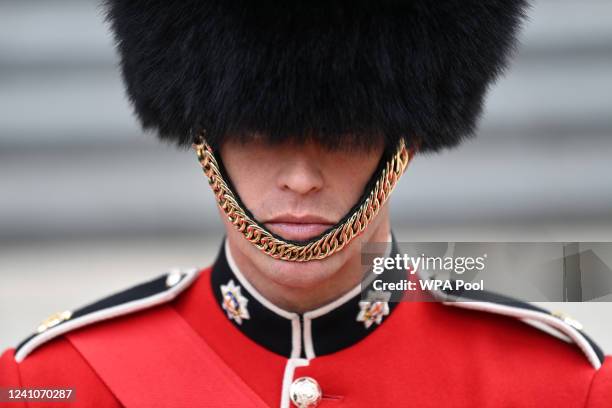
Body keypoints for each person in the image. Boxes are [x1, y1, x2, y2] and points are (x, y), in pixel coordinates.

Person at [1, 1, 611, 407]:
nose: (299, 179)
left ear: (406, 138)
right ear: (203, 133)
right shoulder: (53, 383)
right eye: (261, 134)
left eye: (344, 134)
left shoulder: (558, 384)